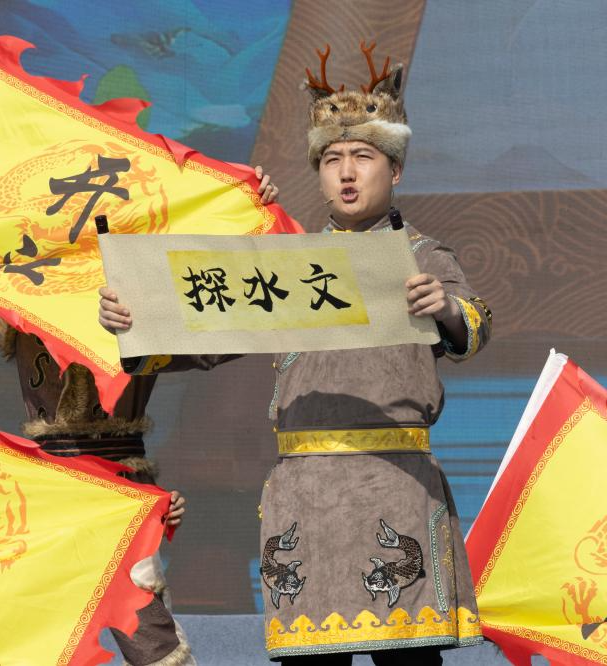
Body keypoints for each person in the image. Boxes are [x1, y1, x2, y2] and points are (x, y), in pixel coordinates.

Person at [99, 44, 492, 665]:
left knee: (407, 657)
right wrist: (135, 323)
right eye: (333, 159)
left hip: (393, 482)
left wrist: (443, 306)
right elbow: (209, 338)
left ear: (395, 171)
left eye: (363, 157)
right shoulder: (290, 264)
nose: (347, 173)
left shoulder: (421, 256)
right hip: (305, 491)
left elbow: (471, 326)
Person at [0, 167, 279, 666]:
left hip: (118, 482)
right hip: (47, 486)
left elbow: (216, 338)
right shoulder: (29, 299)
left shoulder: (141, 303)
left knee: (141, 615)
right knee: (30, 620)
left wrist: (249, 209)